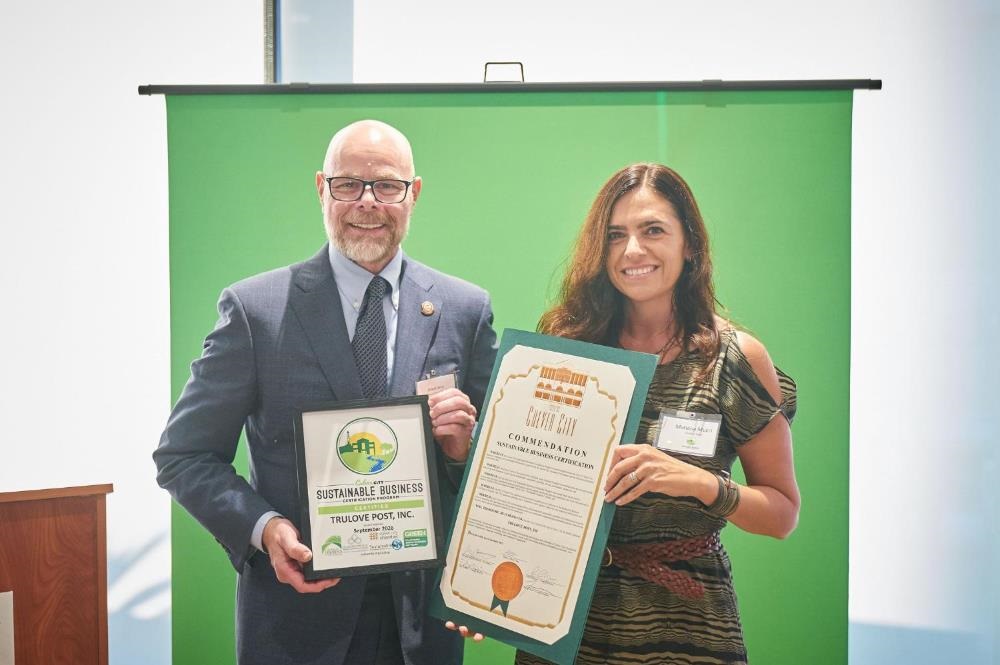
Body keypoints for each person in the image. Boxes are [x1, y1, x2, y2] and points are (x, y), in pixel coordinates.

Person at [153, 119, 497, 665]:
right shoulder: (256, 311)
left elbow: (489, 471)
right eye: (347, 185)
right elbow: (184, 455)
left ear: (414, 194)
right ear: (321, 189)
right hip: (297, 619)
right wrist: (264, 530)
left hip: (422, 626)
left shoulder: (464, 310)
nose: (367, 202)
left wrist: (461, 451)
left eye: (386, 185)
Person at [524, 163, 800, 665]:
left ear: (689, 244)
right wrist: (479, 590)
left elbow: (782, 513)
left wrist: (699, 482)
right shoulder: (567, 350)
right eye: (616, 235)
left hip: (686, 623)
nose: (633, 250)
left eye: (653, 230)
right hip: (565, 616)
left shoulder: (734, 358)